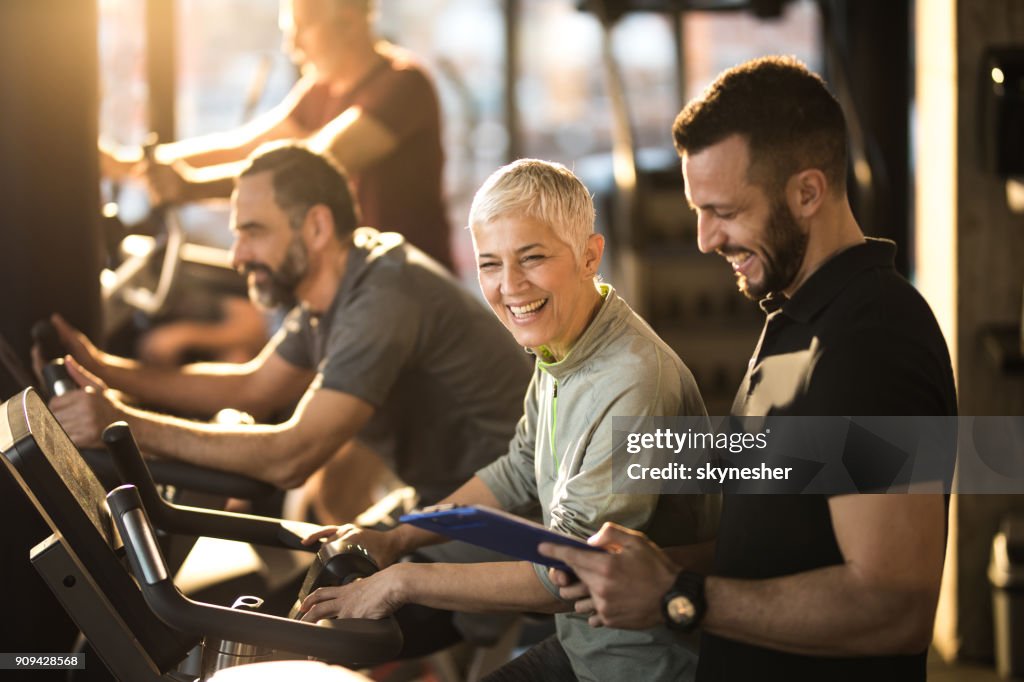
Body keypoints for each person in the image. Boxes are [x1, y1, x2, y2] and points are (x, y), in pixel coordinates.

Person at [540, 56, 958, 681]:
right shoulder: (795, 316)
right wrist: (648, 568)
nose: (705, 239)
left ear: (807, 193)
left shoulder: (875, 341)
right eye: (698, 210)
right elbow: (778, 547)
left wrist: (675, 595)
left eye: (726, 212)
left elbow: (894, 608)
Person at [296, 159, 720, 682]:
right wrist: (400, 538)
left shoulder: (632, 378)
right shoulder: (563, 341)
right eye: (490, 264)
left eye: (532, 258)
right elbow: (519, 467)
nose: (510, 286)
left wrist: (403, 582)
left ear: (590, 256)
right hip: (586, 651)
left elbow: (567, 572)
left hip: (641, 670)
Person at [42, 143, 530, 521]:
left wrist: (119, 423)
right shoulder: (333, 290)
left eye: (253, 232)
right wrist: (105, 370)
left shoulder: (382, 296)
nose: (237, 256)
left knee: (324, 594)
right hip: (448, 502)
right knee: (325, 566)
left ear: (316, 227)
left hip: (512, 523)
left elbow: (290, 458)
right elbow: (254, 387)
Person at [102, 0, 451, 270]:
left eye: (302, 28)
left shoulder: (404, 84)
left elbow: (316, 164)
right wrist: (125, 164)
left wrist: (192, 186)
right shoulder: (319, 89)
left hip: (410, 282)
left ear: (347, 21)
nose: (292, 45)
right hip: (363, 279)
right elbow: (245, 147)